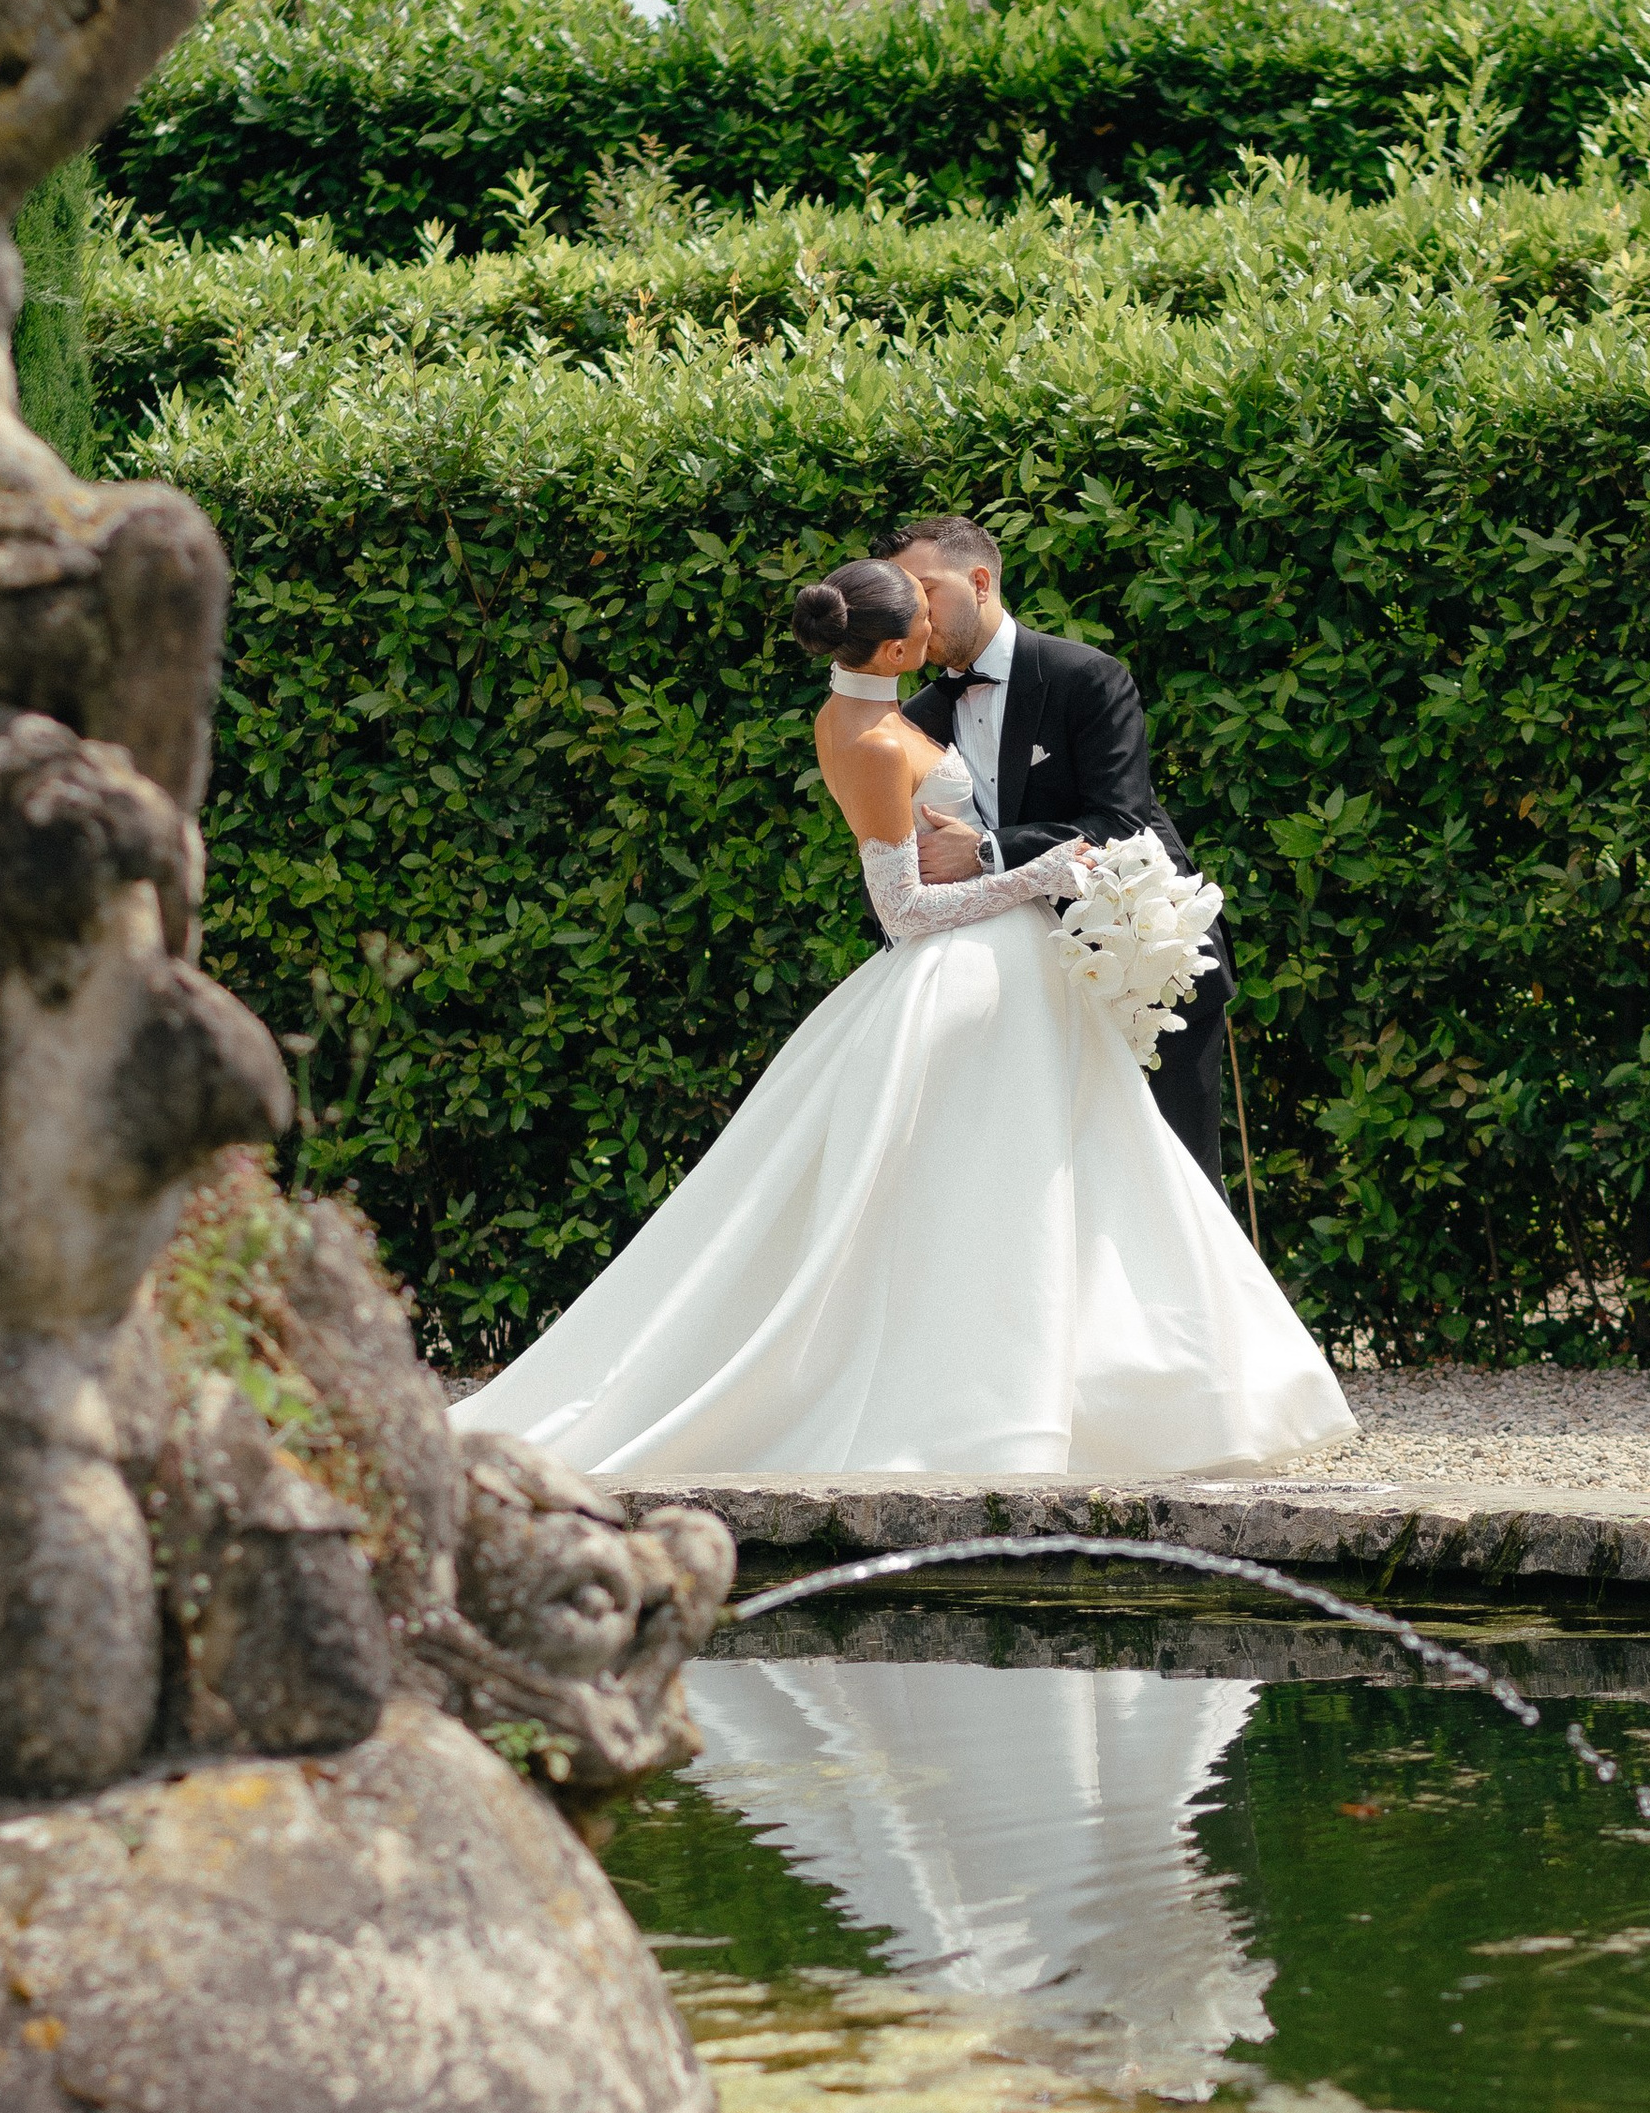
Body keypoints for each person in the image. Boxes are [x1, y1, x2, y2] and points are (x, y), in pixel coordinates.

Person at [449, 553, 1351, 1484]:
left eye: (933, 594)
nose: (929, 619)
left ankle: (1133, 1395)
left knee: (1086, 1179)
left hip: (1032, 972)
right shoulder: (884, 735)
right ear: (892, 645)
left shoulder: (914, 708)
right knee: (987, 1197)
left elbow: (1118, 817)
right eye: (914, 611)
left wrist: (1010, 864)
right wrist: (1033, 876)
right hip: (968, 974)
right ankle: (980, 1408)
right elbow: (903, 910)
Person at [884, 513, 1233, 1188]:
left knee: (1179, 1181)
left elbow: (1119, 821)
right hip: (1020, 992)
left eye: (926, 590)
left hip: (1141, 962)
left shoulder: (1085, 677)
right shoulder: (916, 719)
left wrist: (986, 852)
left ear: (980, 581)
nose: (914, 613)